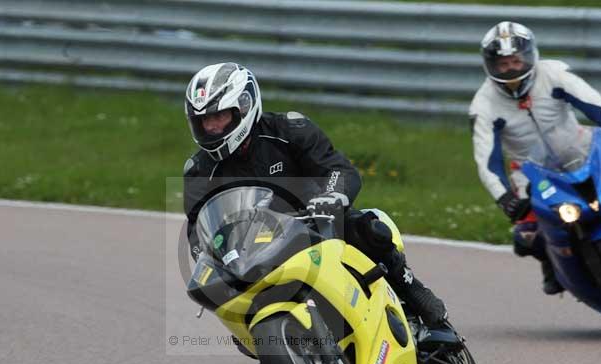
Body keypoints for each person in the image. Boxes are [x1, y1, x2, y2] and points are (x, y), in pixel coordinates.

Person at [182, 62, 448, 328]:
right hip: (253, 253)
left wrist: (332, 196)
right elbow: (197, 229)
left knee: (369, 228)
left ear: (244, 106)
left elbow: (338, 169)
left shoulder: (290, 130)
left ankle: (412, 289)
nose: (212, 128)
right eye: (204, 121)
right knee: (229, 312)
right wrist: (211, 254)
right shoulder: (198, 171)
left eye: (219, 117)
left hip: (315, 224)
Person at [470, 21, 601, 295]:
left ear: (530, 56)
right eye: (503, 64)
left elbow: (599, 105)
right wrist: (504, 197)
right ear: (490, 66)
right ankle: (551, 263)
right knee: (526, 238)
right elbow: (487, 160)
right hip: (532, 173)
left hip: (584, 151)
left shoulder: (554, 73)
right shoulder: (483, 105)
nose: (511, 69)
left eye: (516, 61)